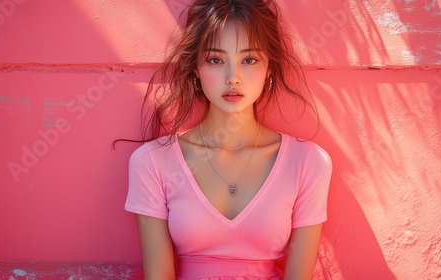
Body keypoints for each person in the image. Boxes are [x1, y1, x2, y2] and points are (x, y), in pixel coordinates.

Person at [121, 0, 332, 279]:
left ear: (269, 68)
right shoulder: (152, 162)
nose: (233, 78)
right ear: (195, 68)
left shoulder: (308, 162)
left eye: (249, 60)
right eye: (215, 60)